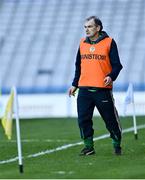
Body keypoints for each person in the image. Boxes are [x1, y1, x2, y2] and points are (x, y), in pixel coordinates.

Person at [68, 16, 123, 156]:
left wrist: (111, 76)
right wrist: (75, 84)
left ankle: (117, 144)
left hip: (102, 89)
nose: (87, 29)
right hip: (84, 89)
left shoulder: (109, 42)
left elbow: (117, 65)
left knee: (110, 121)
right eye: (85, 27)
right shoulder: (82, 43)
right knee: (83, 120)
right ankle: (88, 147)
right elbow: (78, 66)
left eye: (90, 26)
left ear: (98, 28)